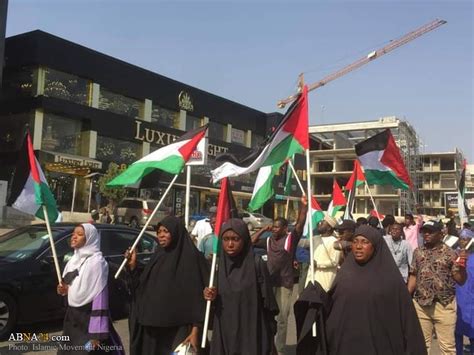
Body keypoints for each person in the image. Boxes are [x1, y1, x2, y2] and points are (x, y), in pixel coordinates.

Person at [325, 225, 426, 354]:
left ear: (376, 246)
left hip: (379, 345)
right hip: (346, 345)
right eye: (355, 242)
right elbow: (333, 308)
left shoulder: (391, 279)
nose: (359, 246)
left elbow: (407, 320)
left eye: (365, 242)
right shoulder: (345, 273)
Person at [125, 216, 209, 354]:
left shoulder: (192, 259)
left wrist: (196, 330)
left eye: (165, 231)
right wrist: (133, 267)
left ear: (176, 233)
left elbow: (200, 300)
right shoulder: (158, 256)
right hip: (152, 330)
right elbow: (141, 290)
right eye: (159, 232)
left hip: (179, 330)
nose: (161, 235)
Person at [203, 218, 279, 355]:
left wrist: (269, 335)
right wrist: (209, 296)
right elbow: (211, 302)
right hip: (224, 331)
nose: (230, 244)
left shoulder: (257, 264)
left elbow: (268, 303)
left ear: (244, 240)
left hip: (251, 330)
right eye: (226, 239)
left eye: (235, 239)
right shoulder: (217, 265)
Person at [251, 196, 307, 355]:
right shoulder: (268, 241)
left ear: (284, 229)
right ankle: (268, 347)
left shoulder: (290, 239)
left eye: (277, 227)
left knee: (282, 319)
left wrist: (304, 207)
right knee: (267, 317)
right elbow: (251, 242)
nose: (274, 229)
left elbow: (300, 224)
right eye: (273, 227)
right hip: (269, 284)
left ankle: (280, 350)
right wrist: (263, 229)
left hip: (284, 284)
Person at [56, 223, 124, 354]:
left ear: (90, 239)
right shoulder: (73, 260)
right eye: (73, 234)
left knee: (87, 351)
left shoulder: (97, 263)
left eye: (80, 234)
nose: (74, 237)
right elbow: (73, 289)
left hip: (89, 322)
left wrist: (96, 335)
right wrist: (64, 291)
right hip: (73, 319)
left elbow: (100, 297)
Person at [408, 220, 468, 354]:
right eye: (424, 231)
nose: (426, 234)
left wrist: (462, 268)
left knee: (447, 347)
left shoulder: (451, 253)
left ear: (440, 234)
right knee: (421, 346)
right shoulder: (418, 252)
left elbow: (460, 280)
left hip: (444, 305)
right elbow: (413, 276)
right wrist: (406, 297)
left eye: (430, 231)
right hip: (421, 305)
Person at [301, 215, 342, 291]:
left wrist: (318, 264)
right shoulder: (315, 238)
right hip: (311, 279)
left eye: (322, 223)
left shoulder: (334, 241)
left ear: (329, 227)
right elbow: (302, 243)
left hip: (324, 283)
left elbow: (334, 262)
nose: (319, 224)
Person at [455, 236, 474, 355]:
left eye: (466, 239)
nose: (463, 241)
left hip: (471, 298)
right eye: (461, 238)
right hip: (457, 296)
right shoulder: (454, 256)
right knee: (456, 329)